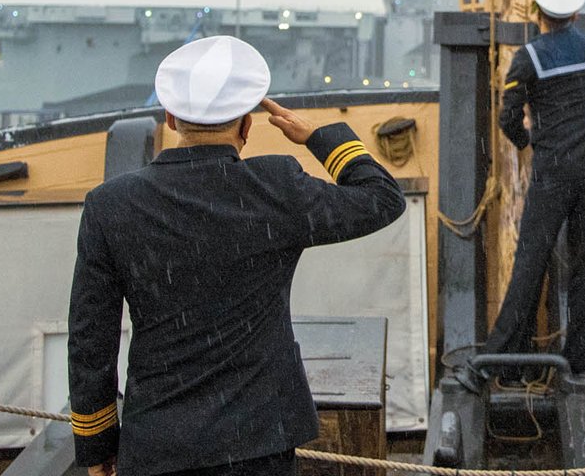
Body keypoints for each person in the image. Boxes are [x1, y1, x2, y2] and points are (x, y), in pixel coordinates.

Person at [68, 35, 406, 476]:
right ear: (247, 126)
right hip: (258, 442)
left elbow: (91, 339)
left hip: (156, 444)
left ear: (170, 119)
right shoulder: (276, 187)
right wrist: (319, 138)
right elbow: (382, 198)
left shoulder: (110, 204)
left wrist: (96, 446)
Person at [456, 0, 585, 391]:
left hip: (553, 171)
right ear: (575, 13)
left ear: (538, 13)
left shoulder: (529, 57)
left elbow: (508, 116)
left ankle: (500, 361)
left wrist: (526, 141)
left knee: (530, 265)